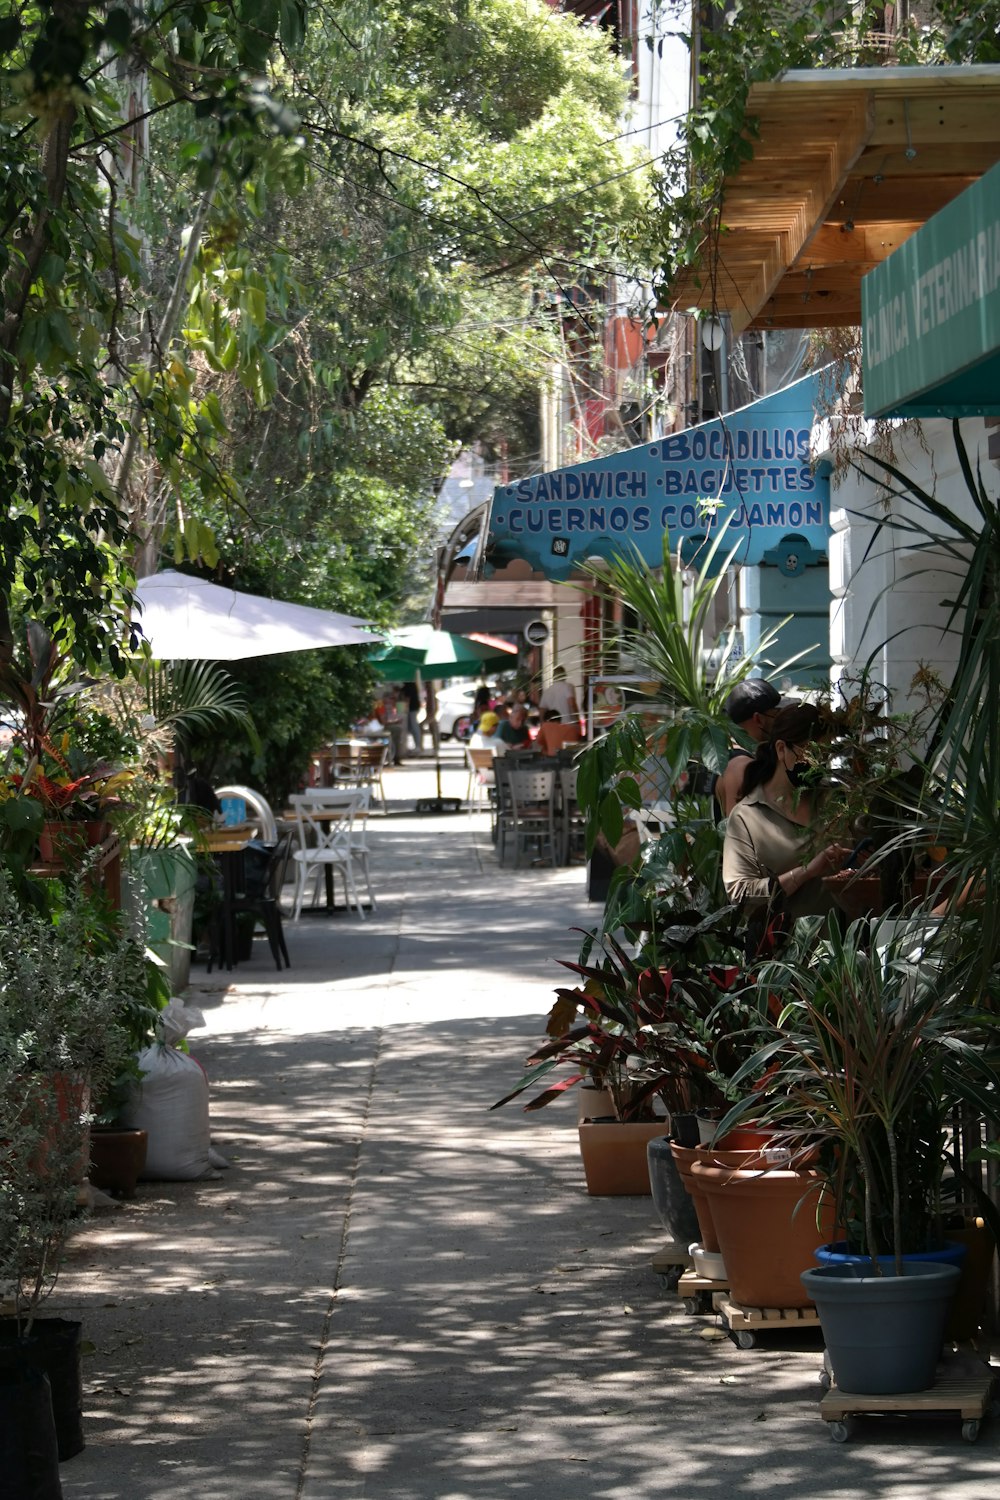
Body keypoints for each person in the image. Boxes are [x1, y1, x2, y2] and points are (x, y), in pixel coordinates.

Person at [722, 703, 850, 938]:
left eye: (825, 755)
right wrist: (806, 872)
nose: (818, 764)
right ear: (782, 749)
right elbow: (739, 893)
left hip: (844, 953)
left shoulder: (836, 801)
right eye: (811, 754)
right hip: (782, 958)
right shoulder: (748, 816)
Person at [714, 680, 784, 818]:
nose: (779, 721)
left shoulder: (732, 758)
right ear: (759, 719)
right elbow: (736, 827)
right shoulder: (740, 766)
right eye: (776, 714)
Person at [400, 680, 422, 753]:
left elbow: (407, 698)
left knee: (413, 725)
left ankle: (418, 746)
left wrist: (405, 708)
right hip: (413, 707)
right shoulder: (410, 684)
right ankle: (416, 745)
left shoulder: (409, 684)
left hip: (412, 708)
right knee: (411, 726)